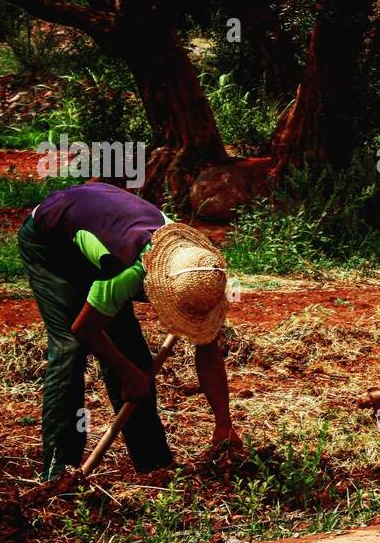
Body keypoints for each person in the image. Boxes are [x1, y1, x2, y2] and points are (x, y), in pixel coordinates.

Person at [18, 181, 238, 479]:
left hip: (100, 230)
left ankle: (154, 465)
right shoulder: (125, 271)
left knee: (132, 355)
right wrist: (125, 372)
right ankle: (59, 470)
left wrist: (223, 422)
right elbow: (85, 329)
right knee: (70, 349)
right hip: (51, 242)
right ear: (159, 289)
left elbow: (208, 348)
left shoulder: (201, 269)